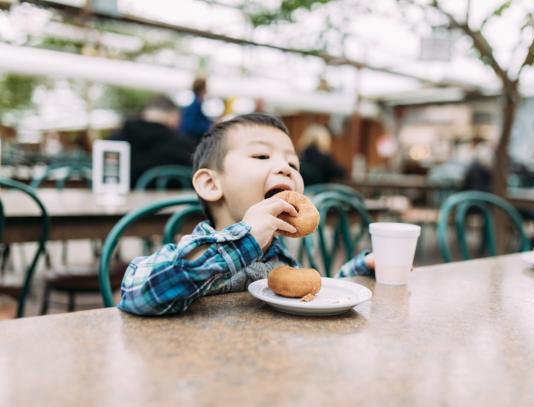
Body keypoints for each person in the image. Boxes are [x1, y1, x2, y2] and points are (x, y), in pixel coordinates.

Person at [118, 113, 374, 316]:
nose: (285, 168)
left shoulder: (279, 261)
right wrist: (243, 240)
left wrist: (360, 271)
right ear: (211, 184)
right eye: (262, 155)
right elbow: (135, 292)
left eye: (293, 164)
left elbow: (313, 297)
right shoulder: (193, 254)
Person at [109, 96, 197, 188]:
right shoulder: (184, 145)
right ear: (174, 116)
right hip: (174, 202)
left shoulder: (114, 142)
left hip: (124, 201)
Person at [180, 77, 213, 141]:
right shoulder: (195, 105)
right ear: (202, 90)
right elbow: (190, 126)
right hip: (191, 141)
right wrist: (209, 126)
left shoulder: (192, 102)